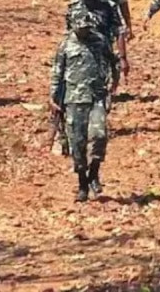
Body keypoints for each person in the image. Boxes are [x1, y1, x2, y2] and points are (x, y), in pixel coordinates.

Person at [50, 11, 119, 202]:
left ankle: (94, 173)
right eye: (81, 28)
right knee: (77, 143)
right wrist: (53, 98)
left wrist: (114, 84)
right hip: (73, 100)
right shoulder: (65, 45)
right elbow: (57, 72)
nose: (85, 32)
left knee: (99, 135)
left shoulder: (99, 40)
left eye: (87, 28)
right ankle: (82, 183)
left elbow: (113, 61)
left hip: (97, 96)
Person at [66, 0, 129, 80]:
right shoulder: (73, 8)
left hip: (102, 56)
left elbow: (118, 31)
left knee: (103, 90)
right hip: (79, 57)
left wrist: (123, 58)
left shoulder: (108, 7)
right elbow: (69, 34)